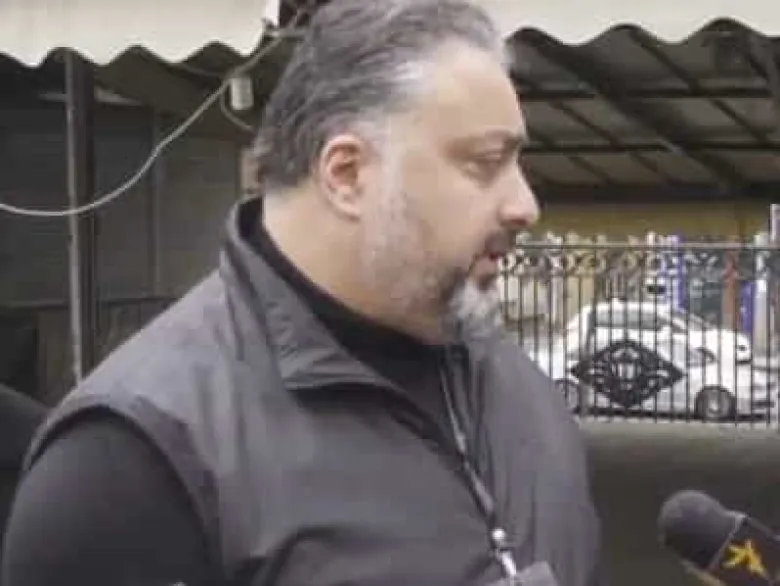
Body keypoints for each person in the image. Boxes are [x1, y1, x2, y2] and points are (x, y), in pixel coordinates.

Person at [1, 1, 602, 585]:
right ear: (347, 175)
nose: (525, 204)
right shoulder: (131, 463)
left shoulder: (521, 391)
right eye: (486, 162)